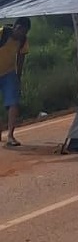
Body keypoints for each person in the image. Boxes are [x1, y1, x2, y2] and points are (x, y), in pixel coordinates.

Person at [1, 17, 31, 147]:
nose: (21, 34)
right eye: (20, 30)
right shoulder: (2, 33)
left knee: (13, 102)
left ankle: (10, 136)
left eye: (24, 32)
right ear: (15, 27)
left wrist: (18, 77)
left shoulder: (23, 41)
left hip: (9, 72)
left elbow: (21, 58)